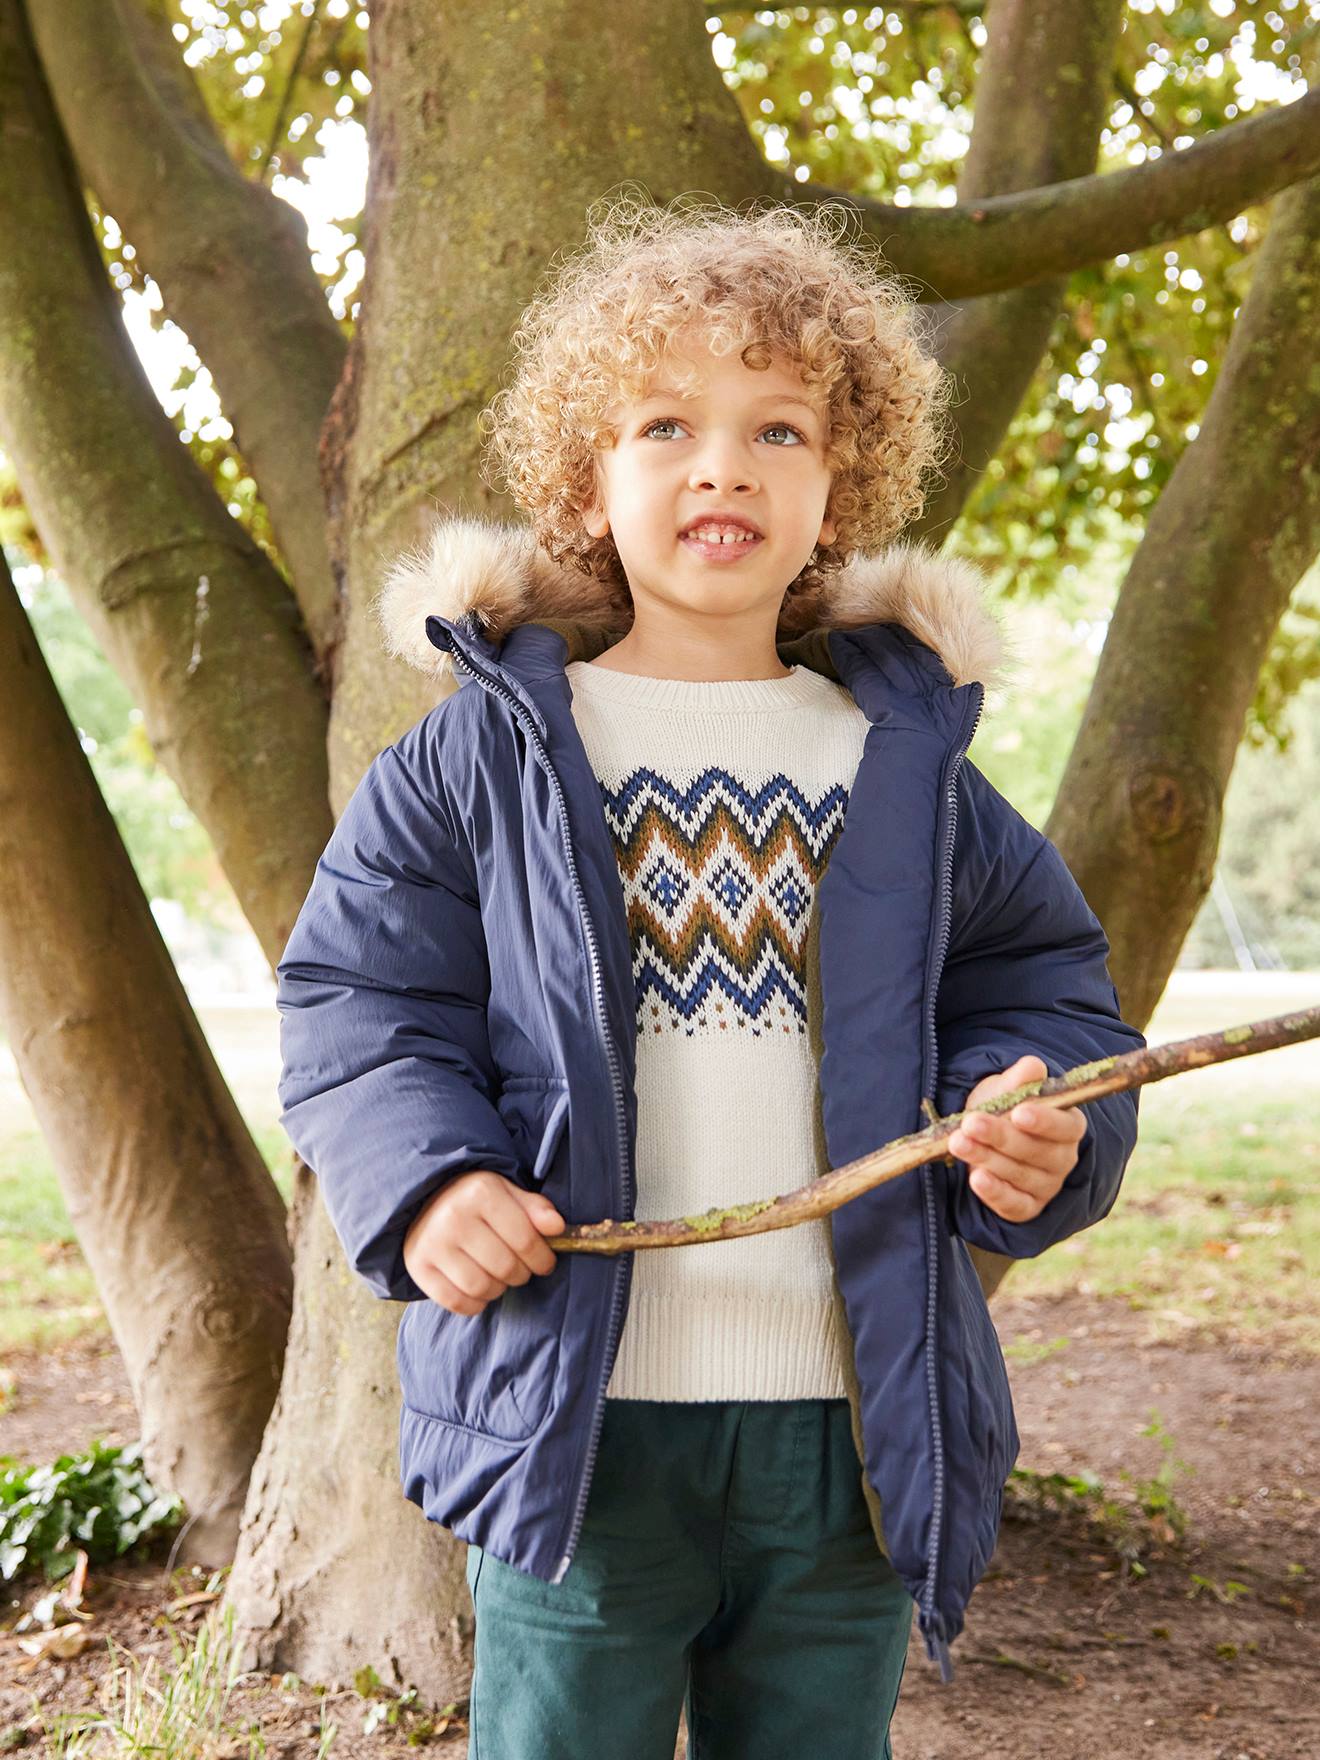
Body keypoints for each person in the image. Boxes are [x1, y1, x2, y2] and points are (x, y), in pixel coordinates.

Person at [275, 194, 1145, 1758]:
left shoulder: (908, 768)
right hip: (575, 1422)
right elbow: (360, 1005)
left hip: (854, 1429)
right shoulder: (483, 758)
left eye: (779, 430)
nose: (723, 465)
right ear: (587, 483)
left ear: (839, 489)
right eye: (665, 423)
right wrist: (426, 1181)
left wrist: (1035, 1120)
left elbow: (1043, 989)